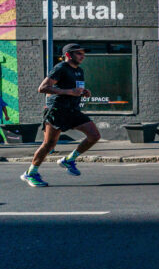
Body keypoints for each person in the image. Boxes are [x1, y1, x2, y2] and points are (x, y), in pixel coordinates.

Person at [20, 43, 101, 187]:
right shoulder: (60, 68)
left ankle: (69, 160)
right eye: (79, 53)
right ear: (69, 55)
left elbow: (75, 88)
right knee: (49, 145)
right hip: (57, 110)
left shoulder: (79, 71)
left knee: (94, 136)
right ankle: (30, 173)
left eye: (83, 53)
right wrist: (69, 92)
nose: (83, 56)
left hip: (72, 110)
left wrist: (83, 92)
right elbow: (43, 88)